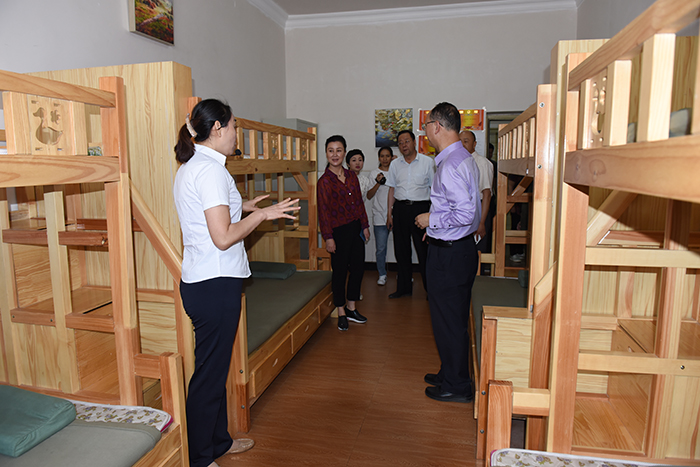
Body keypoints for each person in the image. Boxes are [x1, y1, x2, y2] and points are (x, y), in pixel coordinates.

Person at [173, 99, 300, 467]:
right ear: (217, 129)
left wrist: (242, 205)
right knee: (209, 376)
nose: (236, 135)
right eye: (234, 127)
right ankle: (200, 457)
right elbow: (223, 237)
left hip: (205, 281)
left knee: (213, 371)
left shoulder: (195, 165)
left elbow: (209, 213)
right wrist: (263, 214)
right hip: (214, 283)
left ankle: (218, 443)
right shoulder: (210, 171)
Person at [415, 102, 481, 403]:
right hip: (458, 248)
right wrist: (436, 228)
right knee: (450, 318)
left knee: (449, 320)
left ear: (437, 126)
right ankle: (451, 372)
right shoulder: (461, 157)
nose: (425, 130)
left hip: (450, 255)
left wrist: (432, 220)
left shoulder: (452, 164)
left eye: (427, 125)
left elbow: (465, 213)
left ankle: (457, 385)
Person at [317, 135, 370, 331]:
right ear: (326, 154)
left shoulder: (351, 176)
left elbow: (359, 204)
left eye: (338, 150)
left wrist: (365, 225)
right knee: (339, 272)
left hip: (355, 228)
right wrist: (328, 237)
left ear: (344, 152)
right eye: (330, 151)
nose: (335, 154)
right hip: (337, 232)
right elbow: (323, 212)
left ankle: (351, 308)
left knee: (358, 269)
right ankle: (340, 311)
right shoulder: (324, 182)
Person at [386, 130, 435, 299]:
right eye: (400, 143)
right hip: (400, 209)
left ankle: (430, 290)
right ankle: (404, 288)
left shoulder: (427, 162)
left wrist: (431, 215)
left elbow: (434, 190)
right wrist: (389, 214)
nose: (403, 145)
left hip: (420, 209)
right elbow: (392, 189)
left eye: (406, 141)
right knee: (401, 251)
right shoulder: (395, 164)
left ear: (414, 142)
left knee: (423, 251)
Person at [459, 130, 493, 250]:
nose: (462, 145)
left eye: (466, 141)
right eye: (460, 142)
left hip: (479, 210)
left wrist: (481, 222)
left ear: (474, 144)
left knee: (478, 251)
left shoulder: (482, 163)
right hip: (464, 211)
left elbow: (487, 195)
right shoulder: (459, 162)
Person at [367, 146, 393, 286]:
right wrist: (378, 182)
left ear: (391, 157)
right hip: (379, 215)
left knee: (402, 247)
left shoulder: (396, 171)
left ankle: (404, 274)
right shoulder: (374, 173)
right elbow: (369, 195)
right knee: (381, 248)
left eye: (387, 156)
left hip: (396, 214)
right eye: (382, 156)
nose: (385, 159)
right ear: (378, 158)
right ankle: (382, 274)